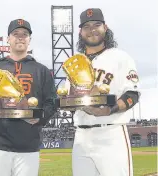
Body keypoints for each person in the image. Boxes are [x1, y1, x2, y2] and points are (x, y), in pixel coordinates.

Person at [0, 19, 57, 176]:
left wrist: (40, 117)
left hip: (29, 146)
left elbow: (51, 102)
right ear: (8, 39)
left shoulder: (42, 70)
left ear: (29, 40)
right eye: (16, 34)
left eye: (24, 35)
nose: (20, 37)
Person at [64, 8, 140, 176]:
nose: (92, 30)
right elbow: (70, 102)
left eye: (96, 25)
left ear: (105, 27)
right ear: (80, 31)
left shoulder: (120, 57)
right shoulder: (74, 63)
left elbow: (132, 95)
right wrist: (66, 101)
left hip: (111, 133)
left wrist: (109, 109)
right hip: (81, 136)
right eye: (87, 26)